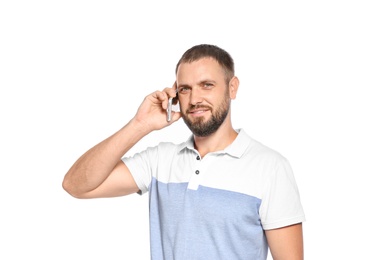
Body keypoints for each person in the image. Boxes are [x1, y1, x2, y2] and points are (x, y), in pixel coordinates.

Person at [63, 44, 306, 259]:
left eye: (207, 85)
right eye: (185, 89)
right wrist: (140, 125)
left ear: (232, 88)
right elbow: (76, 185)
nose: (195, 98)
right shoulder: (160, 161)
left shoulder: (270, 168)